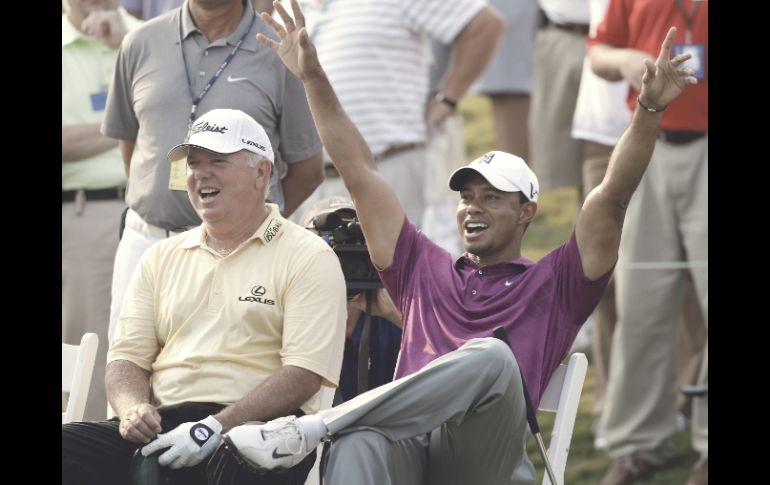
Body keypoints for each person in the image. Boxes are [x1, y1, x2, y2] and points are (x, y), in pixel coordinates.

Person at [214, 3, 697, 484]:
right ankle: (332, 430)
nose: (473, 207)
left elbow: (611, 198)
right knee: (358, 444)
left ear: (527, 212)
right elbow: (360, 172)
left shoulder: (558, 283)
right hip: (409, 451)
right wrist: (312, 77)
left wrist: (650, 110)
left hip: (482, 462)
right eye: (466, 196)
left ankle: (315, 428)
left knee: (490, 355)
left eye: (491, 197)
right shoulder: (423, 268)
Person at [62, 108, 347, 485]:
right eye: (193, 163)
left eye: (217, 161)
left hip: (255, 433)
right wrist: (132, 411)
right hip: (163, 424)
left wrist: (212, 427)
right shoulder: (160, 256)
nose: (200, 174)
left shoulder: (308, 255)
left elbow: (303, 375)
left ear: (262, 172)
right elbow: (126, 360)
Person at [103, 0, 324, 345]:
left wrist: (240, 226)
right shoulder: (140, 42)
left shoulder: (281, 51)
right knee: (128, 373)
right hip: (146, 243)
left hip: (240, 254)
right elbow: (132, 148)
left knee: (224, 379)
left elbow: (307, 169)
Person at [588, 1, 708, 483]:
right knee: (640, 300)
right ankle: (638, 443)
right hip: (647, 141)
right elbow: (598, 52)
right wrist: (627, 63)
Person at [291, 0, 504, 228]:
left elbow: (484, 24)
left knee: (405, 262)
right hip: (311, 182)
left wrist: (446, 99)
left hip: (390, 168)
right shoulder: (288, 5)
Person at [62, 0, 142, 421]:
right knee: (87, 345)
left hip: (149, 212)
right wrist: (125, 120)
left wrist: (125, 43)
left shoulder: (147, 34)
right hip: (83, 213)